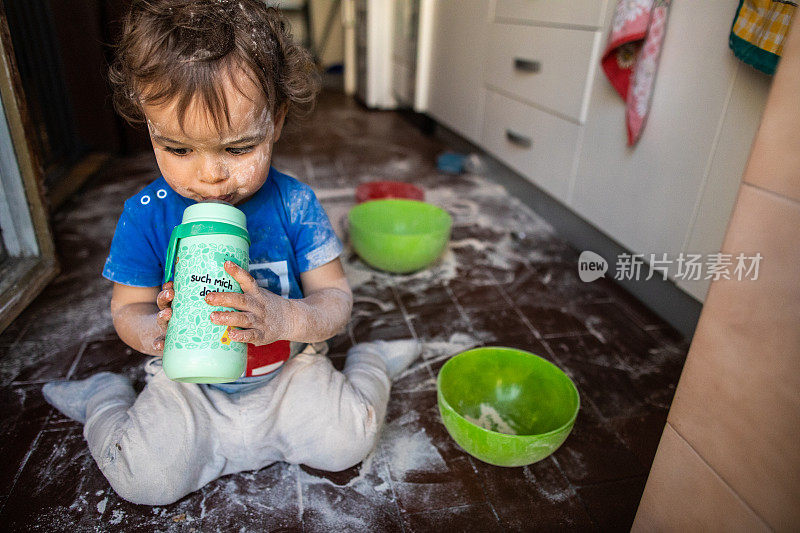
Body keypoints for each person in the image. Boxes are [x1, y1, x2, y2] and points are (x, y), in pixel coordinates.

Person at [41, 0, 420, 506]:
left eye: (237, 149)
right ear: (149, 128)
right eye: (177, 149)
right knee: (143, 480)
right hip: (190, 385)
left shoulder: (295, 204)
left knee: (348, 442)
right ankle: (104, 397)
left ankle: (369, 364)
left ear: (276, 121)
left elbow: (335, 299)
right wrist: (156, 330)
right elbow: (127, 308)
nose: (209, 176)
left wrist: (287, 317)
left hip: (286, 374)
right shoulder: (146, 213)